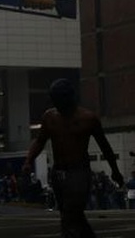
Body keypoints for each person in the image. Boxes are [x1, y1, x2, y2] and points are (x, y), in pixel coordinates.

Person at [23, 78, 124, 237]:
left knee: (71, 213)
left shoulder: (88, 119)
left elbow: (105, 147)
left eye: (60, 99)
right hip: (59, 171)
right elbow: (40, 141)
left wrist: (115, 171)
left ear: (69, 98)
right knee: (69, 213)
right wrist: (28, 160)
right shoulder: (50, 117)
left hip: (79, 172)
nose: (58, 104)